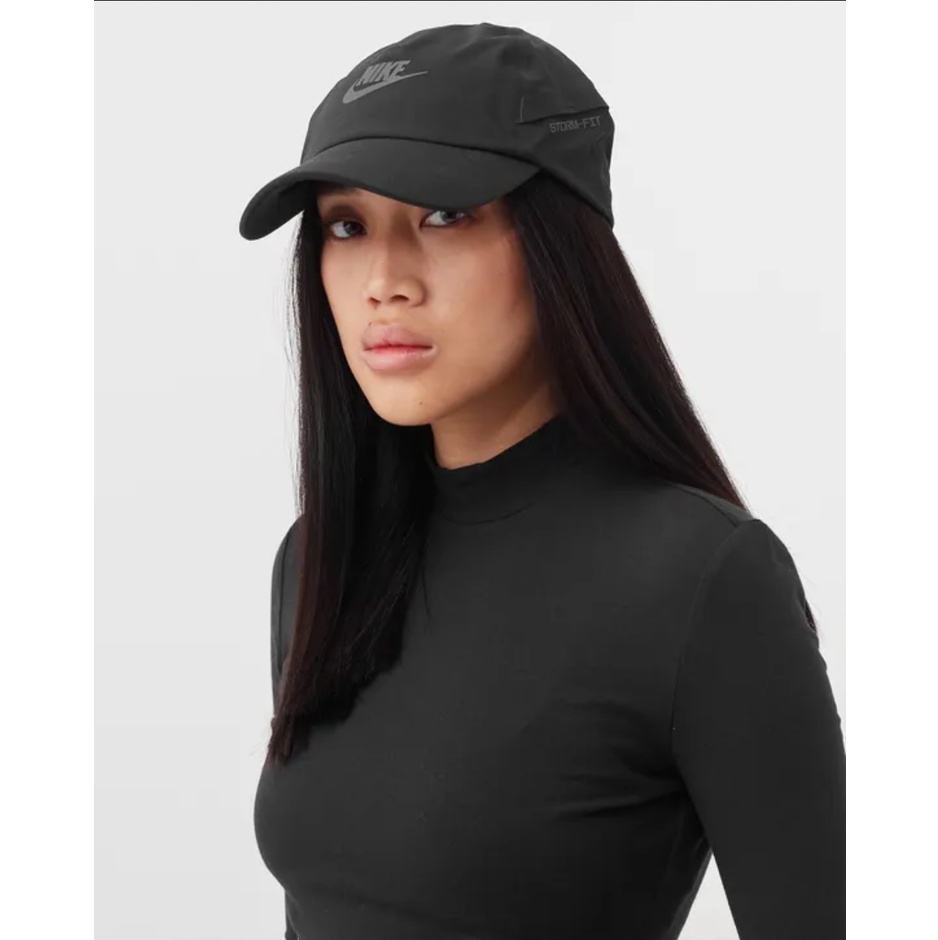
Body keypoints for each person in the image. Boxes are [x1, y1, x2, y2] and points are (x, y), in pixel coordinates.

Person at [238, 21, 846, 940]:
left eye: (444, 216)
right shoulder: (322, 558)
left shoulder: (702, 581)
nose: (383, 281)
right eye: (347, 225)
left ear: (559, 242)